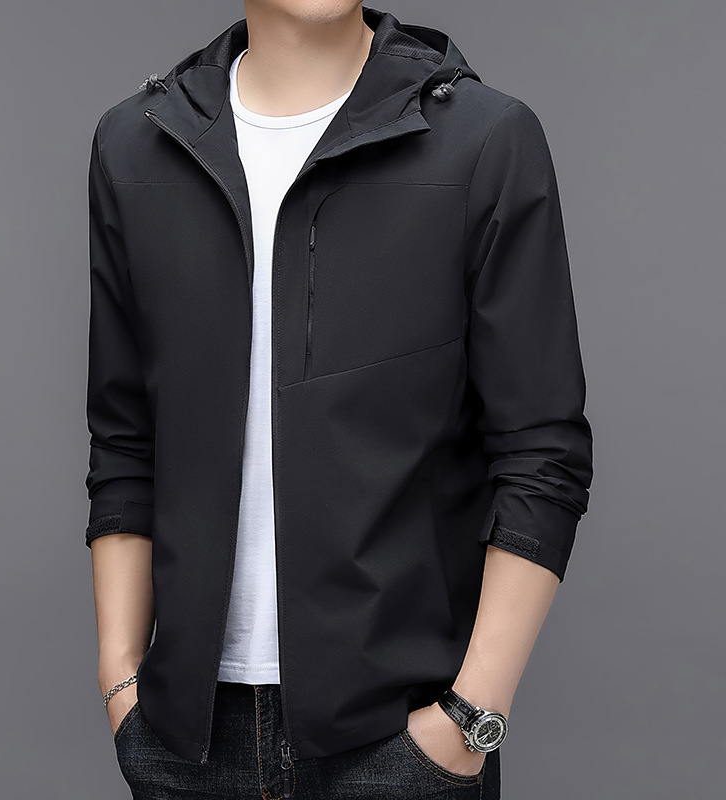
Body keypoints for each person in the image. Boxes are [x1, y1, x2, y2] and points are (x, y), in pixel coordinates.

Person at [85, 3, 594, 798]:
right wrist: (121, 679)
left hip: (402, 744)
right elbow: (125, 438)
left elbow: (543, 451)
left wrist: (472, 717)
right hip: (183, 745)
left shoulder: (483, 141)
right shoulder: (135, 146)